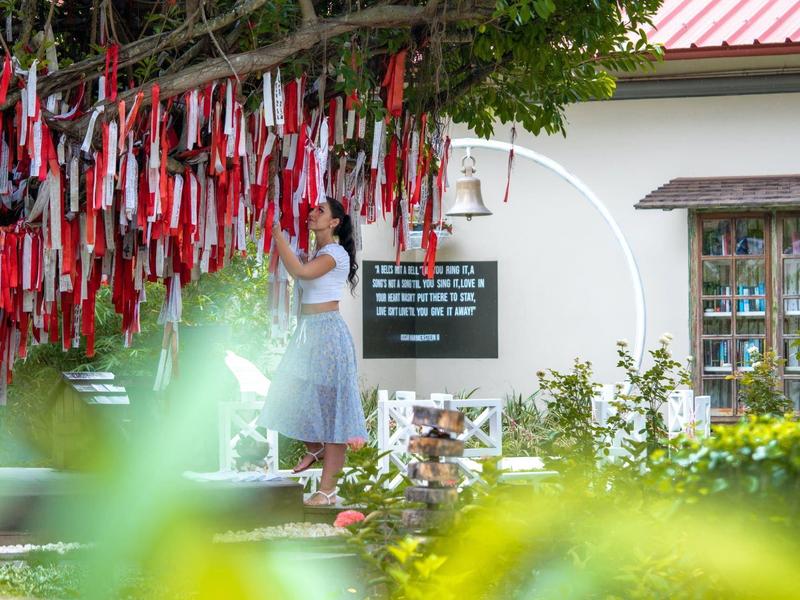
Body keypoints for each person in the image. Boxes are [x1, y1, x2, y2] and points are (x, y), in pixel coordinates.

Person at [257, 197, 368, 506]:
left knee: (334, 412)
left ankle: (327, 490)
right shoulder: (318, 252)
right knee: (286, 391)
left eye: (321, 210)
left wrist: (278, 236)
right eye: (313, 208)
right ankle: (315, 447)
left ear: (334, 222)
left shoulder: (335, 252)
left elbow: (302, 274)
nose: (313, 213)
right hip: (307, 333)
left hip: (328, 333)